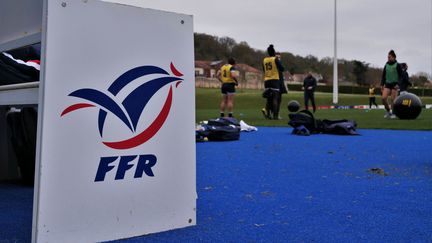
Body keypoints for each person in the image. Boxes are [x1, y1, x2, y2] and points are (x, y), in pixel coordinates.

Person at [262, 45, 284, 120]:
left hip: (267, 80)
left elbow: (264, 70)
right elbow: (282, 68)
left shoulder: (264, 60)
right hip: (274, 80)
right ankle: (275, 116)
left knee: (269, 98)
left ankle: (268, 115)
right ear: (274, 52)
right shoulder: (275, 59)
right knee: (275, 98)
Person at [381, 50, 403, 118]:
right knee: (383, 98)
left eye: (389, 57)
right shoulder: (386, 65)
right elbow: (383, 75)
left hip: (395, 85)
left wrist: (398, 84)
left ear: (394, 57)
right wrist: (382, 84)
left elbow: (401, 76)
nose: (388, 58)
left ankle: (394, 113)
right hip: (387, 84)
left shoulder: (398, 65)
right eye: (388, 57)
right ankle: (388, 111)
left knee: (393, 100)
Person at [275, 52, 288, 119]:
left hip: (280, 85)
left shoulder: (280, 65)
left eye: (279, 58)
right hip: (275, 84)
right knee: (274, 100)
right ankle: (274, 114)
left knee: (279, 100)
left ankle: (276, 114)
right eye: (277, 57)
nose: (278, 59)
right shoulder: (274, 66)